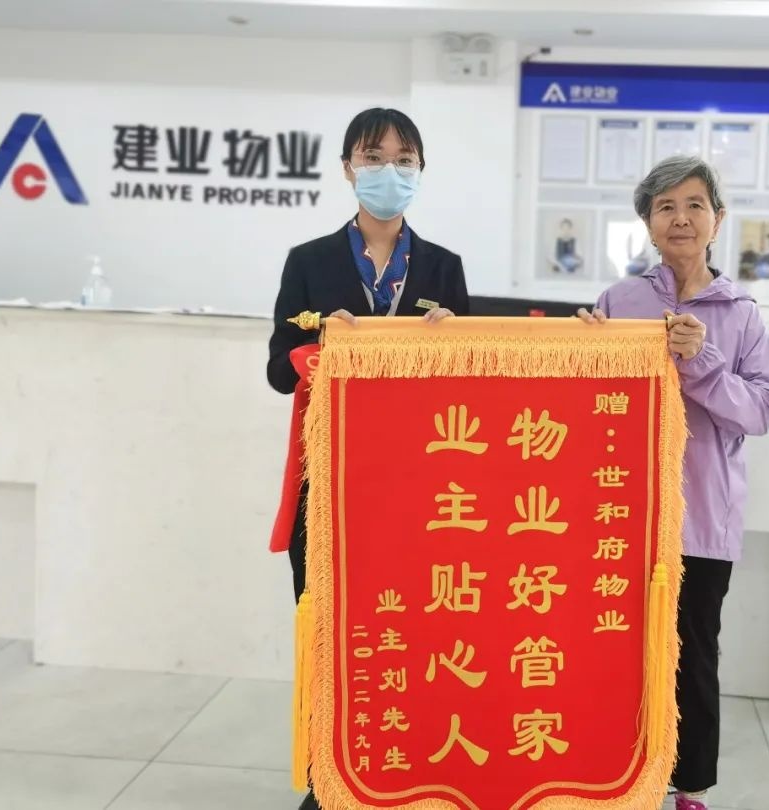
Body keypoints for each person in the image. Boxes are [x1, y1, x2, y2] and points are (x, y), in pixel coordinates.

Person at [266, 107, 469, 810]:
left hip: (420, 493)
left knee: (412, 633)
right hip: (329, 486)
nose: (389, 171)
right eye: (373, 157)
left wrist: (455, 344)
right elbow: (277, 372)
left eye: (403, 159)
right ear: (348, 169)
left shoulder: (443, 267)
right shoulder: (309, 262)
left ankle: (403, 771)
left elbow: (474, 387)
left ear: (421, 170)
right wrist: (322, 342)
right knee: (328, 632)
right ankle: (329, 780)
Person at [577, 155, 769, 810]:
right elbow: (585, 404)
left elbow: (764, 410)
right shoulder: (620, 302)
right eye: (665, 207)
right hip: (621, 513)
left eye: (695, 204)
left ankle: (690, 789)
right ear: (647, 223)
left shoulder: (741, 312)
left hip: (702, 519)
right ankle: (615, 776)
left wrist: (704, 360)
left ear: (717, 219)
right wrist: (583, 353)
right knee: (615, 650)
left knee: (692, 657)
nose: (681, 218)